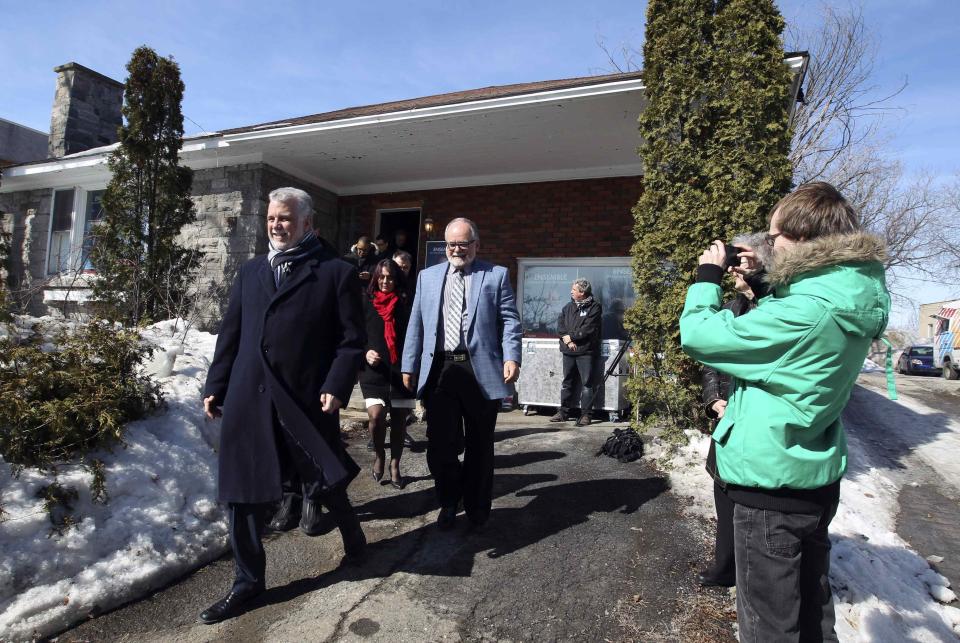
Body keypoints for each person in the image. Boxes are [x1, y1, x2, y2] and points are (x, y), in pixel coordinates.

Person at [680, 182, 890, 641]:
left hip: (770, 487)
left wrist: (706, 279)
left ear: (800, 238)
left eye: (773, 239)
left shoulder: (807, 312)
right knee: (812, 616)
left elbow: (700, 336)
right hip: (809, 477)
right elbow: (793, 336)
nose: (768, 245)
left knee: (769, 627)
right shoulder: (847, 295)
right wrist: (761, 281)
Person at [200, 187, 367, 625]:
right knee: (241, 491)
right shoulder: (251, 271)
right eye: (272, 218)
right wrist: (216, 384)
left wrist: (336, 384)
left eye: (286, 219)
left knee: (322, 475)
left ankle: (352, 532)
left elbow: (352, 341)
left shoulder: (335, 272)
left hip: (304, 396)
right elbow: (230, 334)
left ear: (308, 223)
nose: (277, 225)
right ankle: (247, 583)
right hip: (248, 395)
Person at [401, 217, 522, 530]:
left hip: (479, 368)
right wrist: (408, 364)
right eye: (451, 244)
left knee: (480, 445)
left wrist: (512, 356)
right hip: (440, 368)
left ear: (476, 245)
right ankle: (448, 500)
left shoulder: (495, 276)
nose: (457, 249)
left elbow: (510, 320)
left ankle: (477, 508)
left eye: (463, 244)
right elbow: (416, 323)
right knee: (440, 445)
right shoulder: (427, 277)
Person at [696, 232, 769, 589]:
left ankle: (751, 569)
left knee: (756, 509)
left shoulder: (775, 310)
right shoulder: (731, 309)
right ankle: (725, 565)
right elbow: (710, 363)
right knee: (722, 494)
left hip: (754, 422)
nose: (734, 271)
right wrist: (713, 399)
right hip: (727, 419)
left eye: (742, 266)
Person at [360, 258, 414, 489]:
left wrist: (411, 367)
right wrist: (365, 352)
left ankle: (395, 465)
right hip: (374, 371)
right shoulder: (366, 300)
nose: (385, 281)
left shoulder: (405, 302)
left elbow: (416, 334)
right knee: (376, 417)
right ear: (375, 277)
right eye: (381, 277)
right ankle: (380, 454)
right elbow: (354, 333)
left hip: (402, 371)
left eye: (390, 277)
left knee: (400, 421)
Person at [550, 278, 603, 426]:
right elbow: (560, 325)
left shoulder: (595, 308)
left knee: (587, 384)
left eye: (574, 290)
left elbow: (588, 329)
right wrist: (568, 340)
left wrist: (571, 337)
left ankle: (586, 415)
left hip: (586, 351)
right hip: (568, 350)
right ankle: (563, 412)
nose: (571, 292)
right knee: (567, 382)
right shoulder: (568, 307)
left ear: (582, 292)